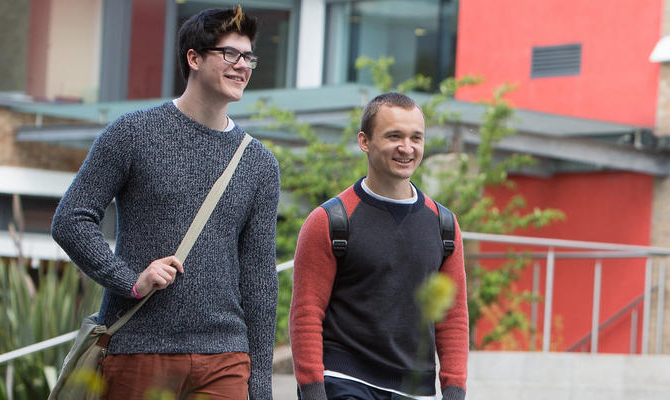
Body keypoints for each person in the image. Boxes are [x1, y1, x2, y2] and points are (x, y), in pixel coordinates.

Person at [51, 7, 279, 399]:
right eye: (231, 54)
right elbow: (71, 219)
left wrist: (260, 383)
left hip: (226, 356)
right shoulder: (133, 132)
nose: (243, 66)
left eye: (249, 57)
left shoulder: (259, 163)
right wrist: (129, 280)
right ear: (194, 57)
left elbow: (259, 278)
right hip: (139, 347)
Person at [289, 93, 469, 400]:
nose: (407, 148)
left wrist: (454, 391)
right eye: (394, 136)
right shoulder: (329, 221)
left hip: (416, 389)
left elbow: (453, 318)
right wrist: (313, 390)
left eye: (416, 138)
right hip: (344, 381)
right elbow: (306, 313)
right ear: (364, 141)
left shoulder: (444, 226)